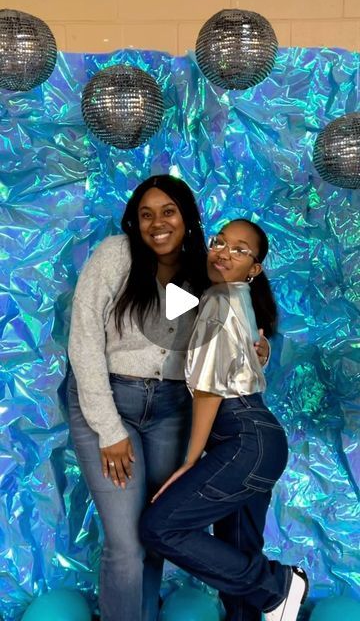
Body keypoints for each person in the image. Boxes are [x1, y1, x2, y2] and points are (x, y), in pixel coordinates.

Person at [66, 175, 270, 621]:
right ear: (134, 222)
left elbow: (223, 326)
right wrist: (108, 428)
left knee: (151, 532)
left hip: (169, 410)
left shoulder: (201, 270)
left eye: (168, 211)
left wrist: (258, 347)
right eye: (146, 214)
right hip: (107, 401)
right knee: (124, 544)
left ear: (187, 218)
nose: (157, 223)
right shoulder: (116, 257)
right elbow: (82, 340)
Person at [140, 219, 309, 621]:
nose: (224, 252)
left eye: (240, 249)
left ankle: (276, 585)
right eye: (219, 242)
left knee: (160, 528)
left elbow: (209, 389)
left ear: (255, 268)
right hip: (258, 440)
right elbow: (166, 308)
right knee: (234, 560)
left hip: (241, 436)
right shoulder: (221, 296)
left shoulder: (221, 301)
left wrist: (189, 461)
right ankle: (262, 600)